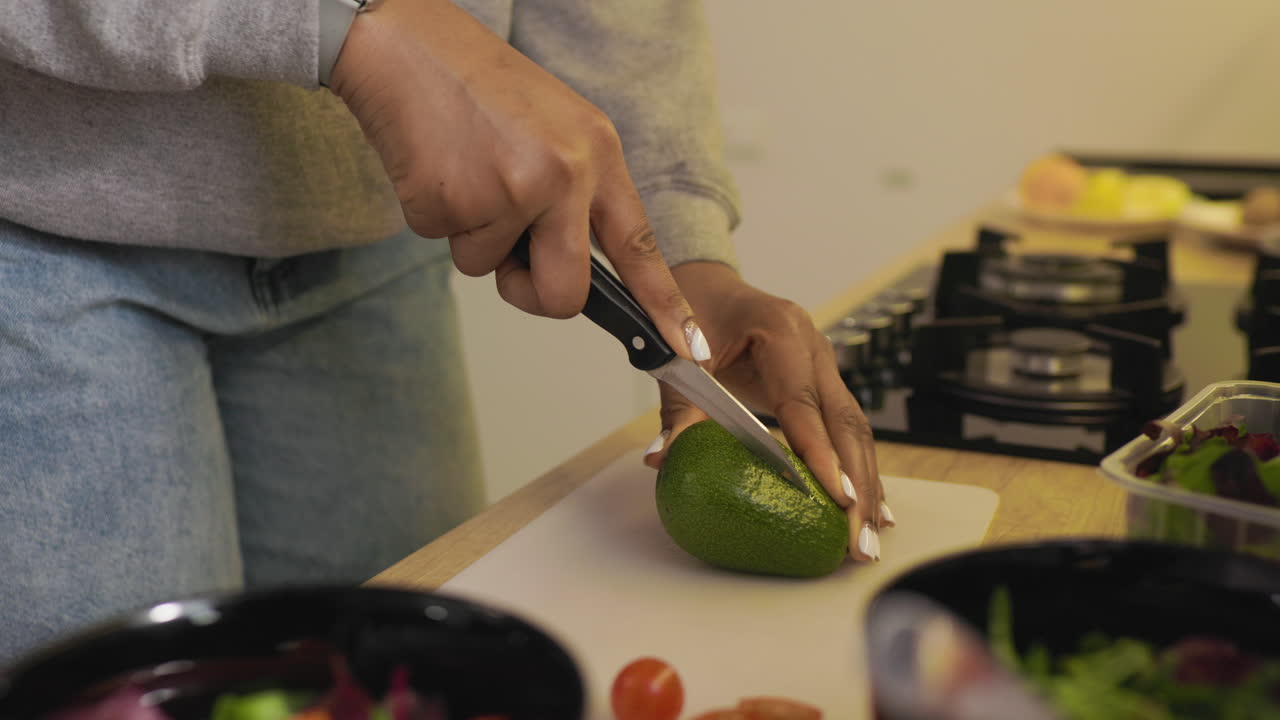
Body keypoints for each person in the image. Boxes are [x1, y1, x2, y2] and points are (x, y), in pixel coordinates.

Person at [0, 0, 890, 664]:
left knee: (409, 676)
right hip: (43, 228)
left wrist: (683, 254)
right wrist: (336, 26)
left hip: (367, 234)